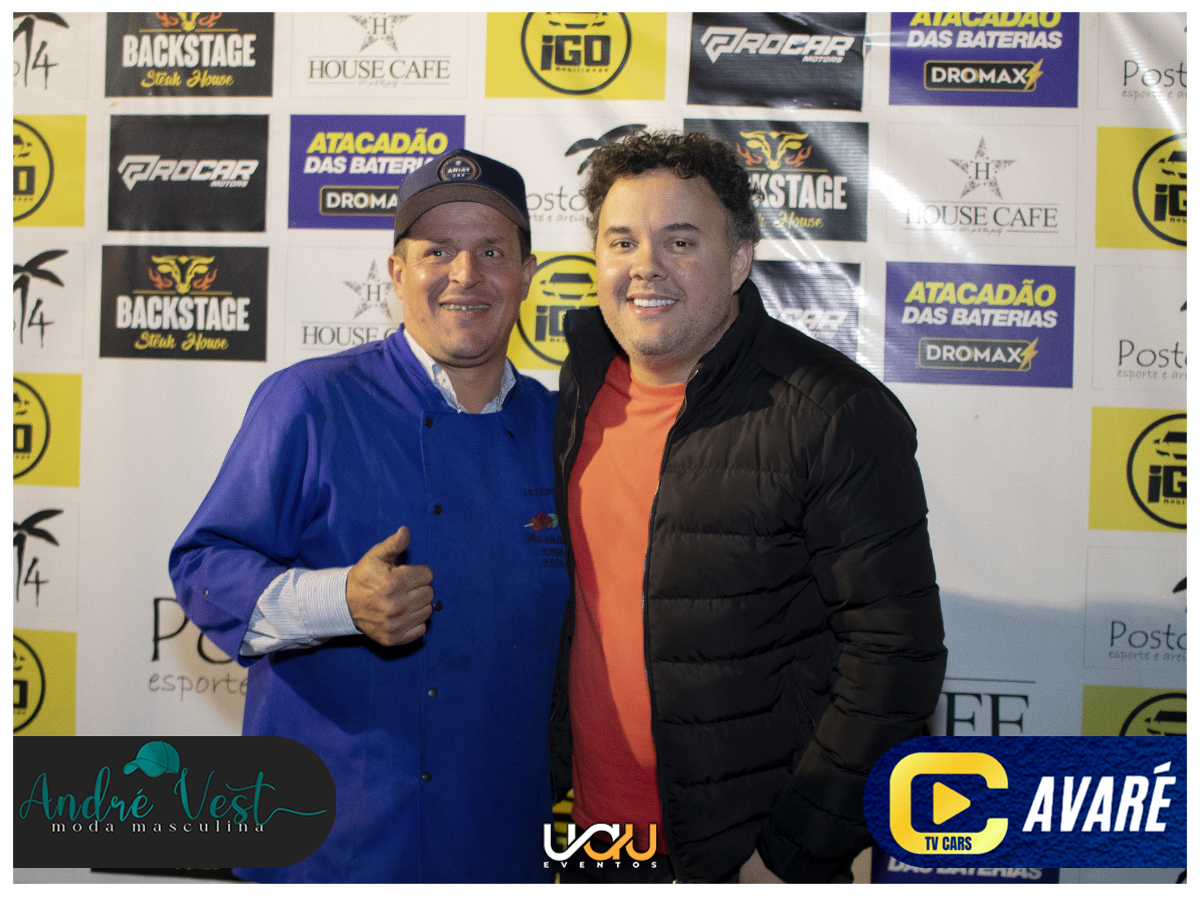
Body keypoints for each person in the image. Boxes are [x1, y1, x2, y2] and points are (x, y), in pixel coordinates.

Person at [548, 131, 947, 883]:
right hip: (598, 838)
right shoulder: (580, 390)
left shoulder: (832, 414)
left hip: (750, 854)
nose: (646, 266)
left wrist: (789, 856)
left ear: (739, 259)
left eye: (681, 241)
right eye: (622, 241)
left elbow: (896, 659)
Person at [170, 149, 569, 883]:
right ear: (396, 271)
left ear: (527, 274)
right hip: (330, 845)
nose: (465, 274)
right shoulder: (310, 401)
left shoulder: (561, 429)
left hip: (502, 844)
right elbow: (202, 565)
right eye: (437, 251)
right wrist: (337, 601)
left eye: (491, 251)